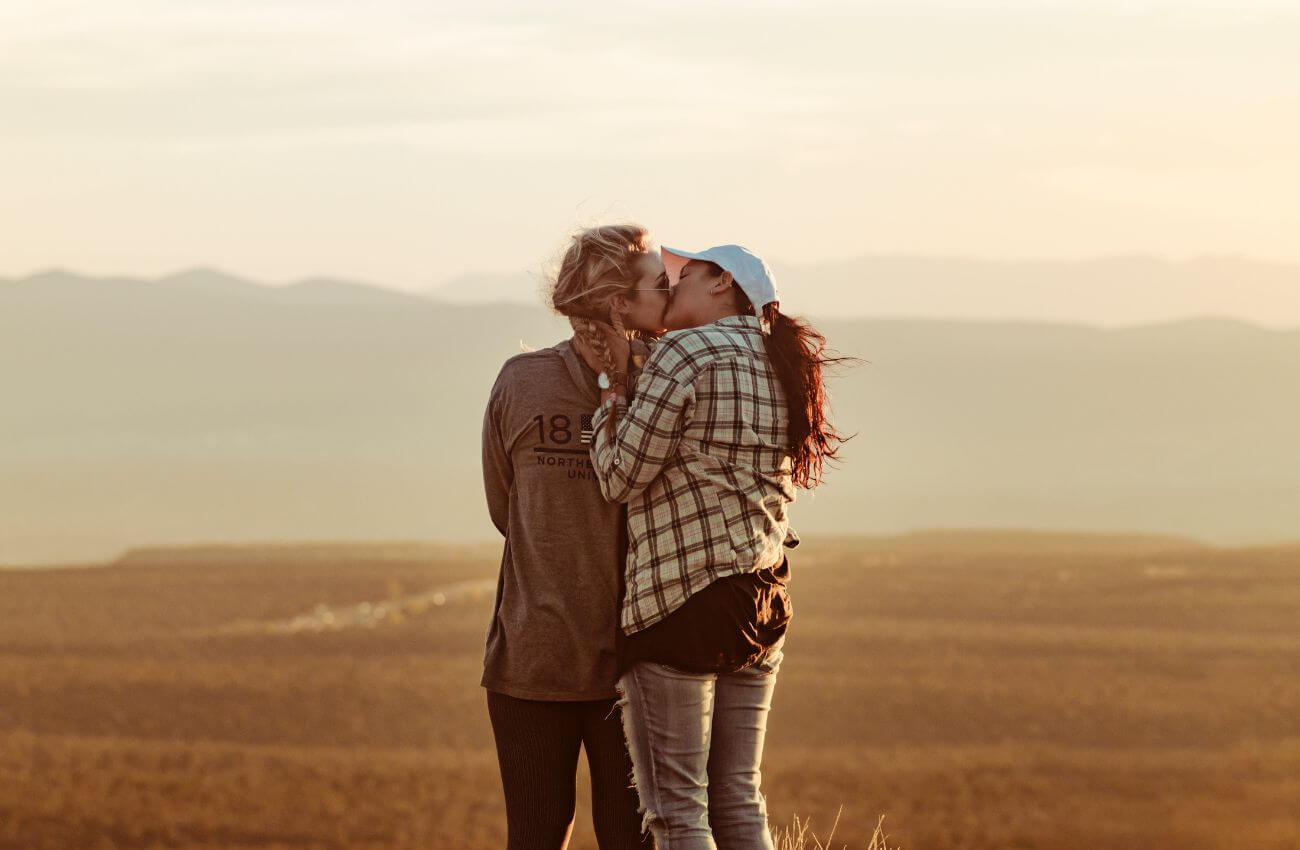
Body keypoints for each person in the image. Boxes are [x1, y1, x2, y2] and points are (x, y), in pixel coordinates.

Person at [581, 243, 849, 849]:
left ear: (723, 282)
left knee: (677, 809)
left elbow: (621, 476)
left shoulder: (686, 351)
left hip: (682, 600)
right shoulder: (783, 361)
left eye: (685, 275)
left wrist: (608, 407)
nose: (671, 287)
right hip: (764, 595)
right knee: (738, 796)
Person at [479, 224, 669, 849]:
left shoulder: (668, 385)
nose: (669, 292)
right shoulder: (522, 381)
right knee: (534, 837)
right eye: (656, 281)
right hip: (532, 663)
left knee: (631, 840)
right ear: (616, 299)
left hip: (637, 667)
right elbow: (507, 509)